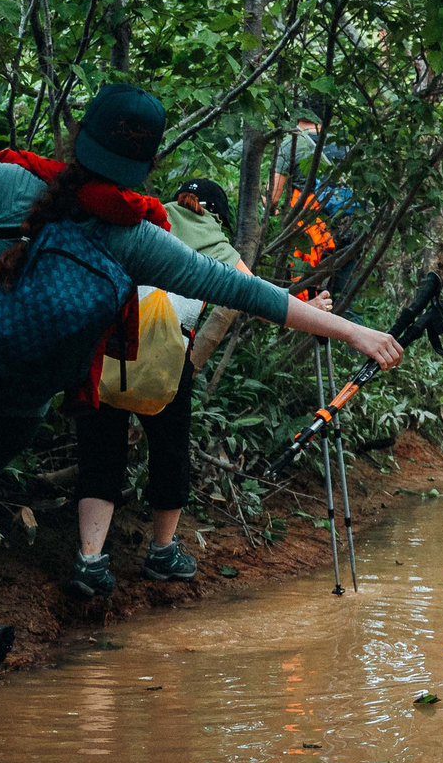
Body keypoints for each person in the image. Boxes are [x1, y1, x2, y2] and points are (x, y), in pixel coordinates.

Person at [0, 85, 403, 753]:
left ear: (77, 136)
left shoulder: (6, 186)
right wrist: (351, 329)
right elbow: (240, 289)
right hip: (12, 415)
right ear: (145, 167)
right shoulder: (133, 237)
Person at [64, 176, 319, 597]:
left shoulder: (146, 219)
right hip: (166, 360)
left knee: (100, 453)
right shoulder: (214, 238)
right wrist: (307, 308)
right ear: (219, 215)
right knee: (170, 453)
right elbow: (252, 294)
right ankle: (162, 553)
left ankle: (89, 560)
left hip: (108, 347)